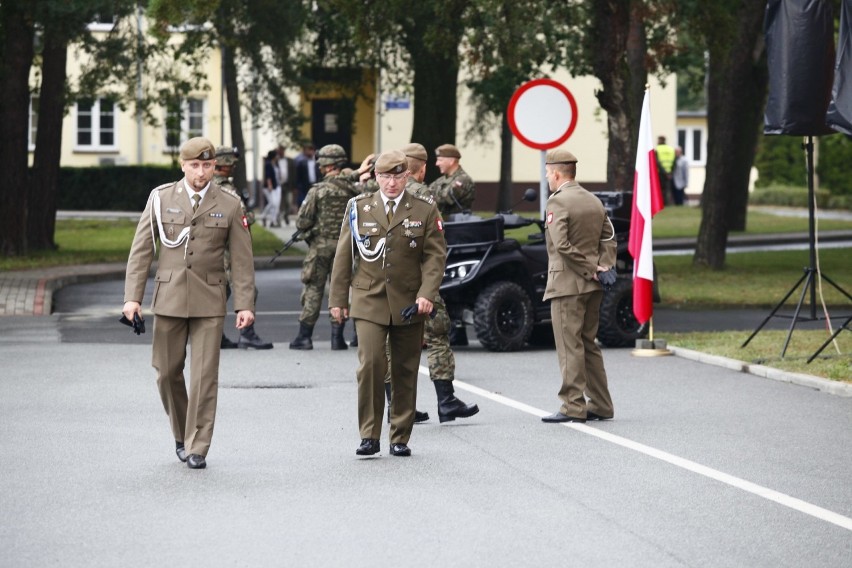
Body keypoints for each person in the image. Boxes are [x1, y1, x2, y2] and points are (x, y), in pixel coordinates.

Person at [122, 137, 256, 469]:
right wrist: (132, 298)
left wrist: (244, 304)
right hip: (168, 298)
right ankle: (182, 433)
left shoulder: (229, 203)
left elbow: (242, 259)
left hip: (210, 300)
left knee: (204, 376)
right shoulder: (161, 198)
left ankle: (198, 446)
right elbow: (142, 251)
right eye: (194, 165)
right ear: (182, 165)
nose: (201, 172)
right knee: (166, 373)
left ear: (214, 167)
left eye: (207, 166)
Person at [329, 150, 446, 457]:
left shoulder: (424, 209)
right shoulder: (358, 207)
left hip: (409, 300)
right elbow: (344, 256)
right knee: (371, 365)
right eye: (385, 177)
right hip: (368, 298)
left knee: (406, 369)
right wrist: (338, 299)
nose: (391, 183)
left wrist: (427, 294)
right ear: (376, 177)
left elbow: (435, 256)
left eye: (397, 176)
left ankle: (400, 436)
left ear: (407, 177)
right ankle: (369, 434)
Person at [387, 142, 479, 423]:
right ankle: (447, 401)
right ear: (423, 168)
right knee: (437, 334)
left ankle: (397, 406)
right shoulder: (423, 197)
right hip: (418, 279)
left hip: (389, 279)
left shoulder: (382, 194)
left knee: (392, 341)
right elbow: (434, 245)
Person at [539, 148, 616, 424]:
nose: (548, 178)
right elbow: (609, 237)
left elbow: (561, 245)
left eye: (548, 173)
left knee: (570, 345)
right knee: (588, 343)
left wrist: (590, 268)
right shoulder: (593, 200)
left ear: (557, 174)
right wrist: (602, 268)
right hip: (593, 285)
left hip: (567, 284)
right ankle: (602, 404)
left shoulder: (558, 202)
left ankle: (572, 406)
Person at [289, 144, 361, 351]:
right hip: (345, 248)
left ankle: (305, 336)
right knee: (340, 290)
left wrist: (311, 231)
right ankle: (337, 337)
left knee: (313, 289)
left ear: (325, 165)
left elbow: (302, 222)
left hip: (320, 247)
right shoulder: (354, 190)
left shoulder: (317, 191)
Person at [213, 146, 272, 350]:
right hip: (229, 248)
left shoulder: (208, 186)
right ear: (225, 164)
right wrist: (252, 215)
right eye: (232, 163)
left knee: (221, 291)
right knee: (246, 289)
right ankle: (247, 334)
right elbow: (244, 218)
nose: (234, 167)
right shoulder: (227, 189)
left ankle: (216, 335)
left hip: (216, 247)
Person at [428, 143, 476, 217]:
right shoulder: (440, 181)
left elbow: (445, 199)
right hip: (442, 223)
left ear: (451, 161)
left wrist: (426, 197)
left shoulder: (463, 180)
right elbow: (427, 193)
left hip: (457, 225)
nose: (437, 164)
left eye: (440, 160)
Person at [294, 143, 320, 207]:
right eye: (308, 150)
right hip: (304, 186)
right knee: (303, 201)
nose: (309, 152)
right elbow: (298, 176)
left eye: (311, 150)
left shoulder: (317, 163)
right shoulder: (301, 163)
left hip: (315, 184)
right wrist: (297, 187)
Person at [261, 149, 282, 227]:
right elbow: (268, 175)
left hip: (277, 186)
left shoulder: (276, 164)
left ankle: (273, 220)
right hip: (270, 187)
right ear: (273, 156)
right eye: (277, 155)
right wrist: (269, 185)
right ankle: (263, 216)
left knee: (276, 204)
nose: (278, 156)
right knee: (272, 203)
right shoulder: (268, 164)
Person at [277, 145, 296, 224]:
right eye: (280, 150)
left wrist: (294, 186)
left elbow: (294, 173)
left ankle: (286, 215)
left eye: (282, 150)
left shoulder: (290, 161)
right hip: (278, 185)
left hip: (288, 185)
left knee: (289, 201)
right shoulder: (276, 161)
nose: (281, 152)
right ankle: (279, 218)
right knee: (279, 202)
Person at [655, 135, 675, 205]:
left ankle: (661, 203)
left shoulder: (657, 149)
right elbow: (674, 162)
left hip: (660, 172)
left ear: (660, 140)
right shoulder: (671, 149)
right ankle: (667, 203)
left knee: (660, 189)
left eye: (658, 140)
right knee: (667, 189)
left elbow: (657, 162)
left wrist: (664, 172)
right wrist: (670, 172)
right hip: (669, 172)